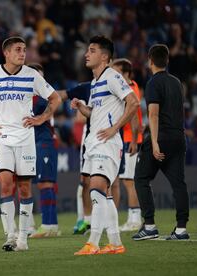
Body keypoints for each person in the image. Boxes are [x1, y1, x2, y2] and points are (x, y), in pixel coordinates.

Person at [0, 36, 61, 251]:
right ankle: (10, 235)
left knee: (25, 188)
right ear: (6, 53)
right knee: (6, 184)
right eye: (18, 50)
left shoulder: (32, 75)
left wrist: (42, 118)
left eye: (24, 50)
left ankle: (23, 240)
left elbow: (55, 98)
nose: (22, 53)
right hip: (1, 138)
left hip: (26, 138)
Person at [71, 36, 138, 255]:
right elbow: (94, 114)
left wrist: (115, 127)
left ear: (104, 56)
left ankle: (93, 242)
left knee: (97, 189)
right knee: (104, 194)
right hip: (93, 143)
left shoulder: (112, 76)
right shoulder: (95, 82)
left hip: (107, 143)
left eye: (91, 50)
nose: (86, 54)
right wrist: (81, 107)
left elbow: (133, 102)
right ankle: (116, 243)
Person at [133, 44, 190, 241]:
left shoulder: (153, 83)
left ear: (150, 60)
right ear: (167, 60)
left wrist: (155, 143)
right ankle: (181, 229)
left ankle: (149, 226)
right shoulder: (176, 82)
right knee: (179, 184)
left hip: (162, 137)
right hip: (179, 138)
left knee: (141, 178)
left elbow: (154, 114)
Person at [26, 63, 60, 238]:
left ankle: (48, 224)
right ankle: (47, 225)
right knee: (36, 183)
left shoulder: (42, 98)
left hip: (44, 142)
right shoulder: (33, 97)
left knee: (45, 183)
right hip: (34, 142)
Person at [111, 58, 143, 232]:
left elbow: (135, 117)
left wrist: (134, 140)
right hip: (129, 138)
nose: (115, 76)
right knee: (127, 180)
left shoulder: (129, 90)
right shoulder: (133, 86)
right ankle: (133, 218)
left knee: (129, 181)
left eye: (118, 72)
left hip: (131, 140)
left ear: (126, 74)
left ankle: (135, 219)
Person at [59, 83, 93, 235]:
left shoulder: (107, 87)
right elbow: (79, 120)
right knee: (84, 183)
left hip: (100, 138)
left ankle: (91, 220)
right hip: (89, 141)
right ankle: (84, 220)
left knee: (102, 184)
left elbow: (79, 119)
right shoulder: (87, 89)